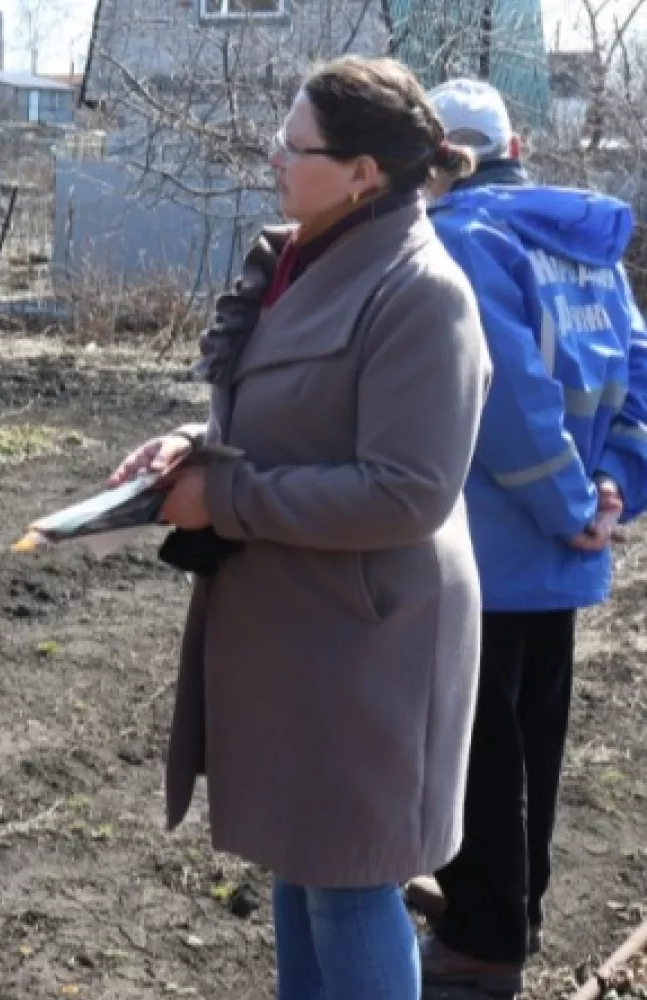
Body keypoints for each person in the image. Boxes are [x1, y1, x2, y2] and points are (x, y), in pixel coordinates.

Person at [108, 56, 491, 998]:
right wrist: (195, 445)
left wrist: (226, 499)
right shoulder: (309, 258)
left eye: (295, 144)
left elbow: (407, 490)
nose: (275, 156)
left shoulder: (420, 292)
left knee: (349, 881)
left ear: (364, 172)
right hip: (297, 631)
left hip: (366, 642)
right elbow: (301, 416)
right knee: (302, 864)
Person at [402, 78, 647, 995]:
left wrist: (572, 507)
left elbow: (509, 406)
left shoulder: (465, 238)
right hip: (565, 559)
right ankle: (515, 910)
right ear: (517, 147)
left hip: (494, 553)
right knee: (534, 747)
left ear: (438, 159)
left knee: (477, 752)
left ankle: (482, 943)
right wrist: (616, 489)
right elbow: (636, 376)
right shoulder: (586, 247)